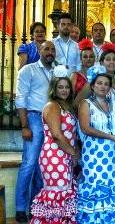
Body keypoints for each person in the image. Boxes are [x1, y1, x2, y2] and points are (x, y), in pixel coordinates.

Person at [77, 70, 115, 224]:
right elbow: (85, 128)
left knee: (110, 187)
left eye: (106, 84)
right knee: (95, 187)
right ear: (92, 86)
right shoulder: (85, 104)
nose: (103, 86)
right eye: (99, 83)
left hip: (111, 155)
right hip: (93, 155)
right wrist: (110, 136)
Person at [14, 41, 56, 223]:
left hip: (51, 119)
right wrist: (25, 125)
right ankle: (20, 208)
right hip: (33, 117)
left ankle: (35, 205)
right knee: (29, 163)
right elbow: (21, 97)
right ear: (39, 51)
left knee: (42, 166)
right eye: (46, 48)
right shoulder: (28, 70)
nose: (50, 52)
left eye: (53, 49)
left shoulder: (57, 72)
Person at [30, 77, 78, 224]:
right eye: (60, 87)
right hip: (54, 157)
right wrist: (74, 153)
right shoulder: (52, 106)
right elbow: (57, 135)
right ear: (54, 89)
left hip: (64, 154)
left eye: (67, 87)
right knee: (57, 194)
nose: (64, 90)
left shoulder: (66, 106)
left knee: (64, 193)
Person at [70, 38, 95, 105]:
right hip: (78, 110)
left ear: (95, 59)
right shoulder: (75, 75)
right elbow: (70, 98)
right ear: (81, 59)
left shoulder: (98, 75)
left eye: (91, 56)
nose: (88, 59)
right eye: (85, 57)